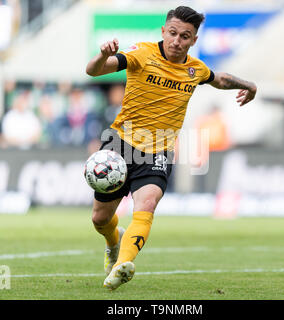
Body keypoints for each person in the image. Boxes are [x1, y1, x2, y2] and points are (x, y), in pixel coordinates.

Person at [85, 6, 257, 290]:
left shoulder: (195, 69)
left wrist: (249, 85)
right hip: (120, 144)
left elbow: (220, 79)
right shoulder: (141, 53)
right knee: (100, 218)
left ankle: (121, 266)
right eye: (173, 33)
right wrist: (103, 54)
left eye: (185, 36)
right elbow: (93, 71)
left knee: (148, 203)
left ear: (194, 40)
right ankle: (113, 241)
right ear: (163, 31)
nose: (177, 41)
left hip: (159, 149)